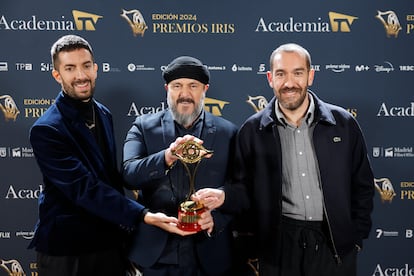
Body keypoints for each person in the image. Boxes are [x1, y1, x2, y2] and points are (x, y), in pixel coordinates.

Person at [193, 43, 375, 276]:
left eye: (297, 73)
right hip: (278, 246)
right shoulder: (252, 130)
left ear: (310, 76)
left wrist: (355, 238)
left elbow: (363, 186)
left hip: (334, 246)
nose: (289, 83)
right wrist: (224, 196)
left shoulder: (344, 123)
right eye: (281, 74)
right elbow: (243, 190)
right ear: (270, 78)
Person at [28, 34, 190, 276]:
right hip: (67, 250)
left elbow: (110, 180)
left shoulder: (103, 113)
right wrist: (142, 215)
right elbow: (84, 188)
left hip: (108, 244)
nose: (81, 75)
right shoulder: (46, 129)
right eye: (70, 68)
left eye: (85, 66)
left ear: (95, 69)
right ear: (57, 75)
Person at [122, 56, 238, 275]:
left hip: (210, 256)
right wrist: (167, 156)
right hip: (155, 257)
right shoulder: (143, 127)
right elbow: (128, 174)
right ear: (167, 89)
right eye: (177, 86)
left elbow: (242, 189)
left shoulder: (228, 132)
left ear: (205, 89)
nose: (185, 94)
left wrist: (217, 217)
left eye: (193, 86)